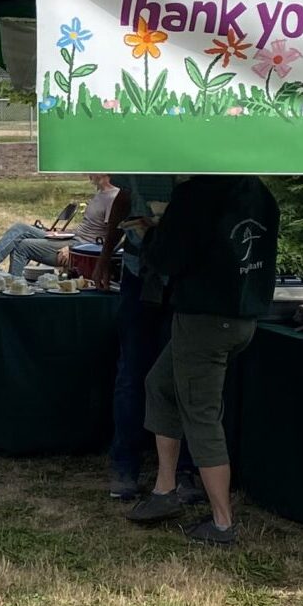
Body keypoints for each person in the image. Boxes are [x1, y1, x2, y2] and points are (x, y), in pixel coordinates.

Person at [125, 174, 278, 546]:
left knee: (201, 414)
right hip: (242, 317)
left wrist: (151, 234)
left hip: (205, 320)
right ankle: (165, 490)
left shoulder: (196, 194)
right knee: (161, 386)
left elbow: (168, 258)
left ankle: (222, 523)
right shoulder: (259, 192)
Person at [108, 174, 193, 501]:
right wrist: (105, 257)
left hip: (185, 278)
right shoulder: (136, 154)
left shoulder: (203, 156)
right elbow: (123, 199)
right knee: (132, 372)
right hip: (139, 272)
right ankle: (125, 466)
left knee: (183, 373)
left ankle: (185, 470)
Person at [0, 172, 118, 275]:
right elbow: (90, 228)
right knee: (20, 228)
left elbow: (110, 237)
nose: (88, 172)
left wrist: (72, 249)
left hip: (81, 246)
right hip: (74, 238)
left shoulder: (112, 198)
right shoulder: (100, 194)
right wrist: (63, 233)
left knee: (23, 246)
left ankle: (14, 287)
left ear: (104, 172)